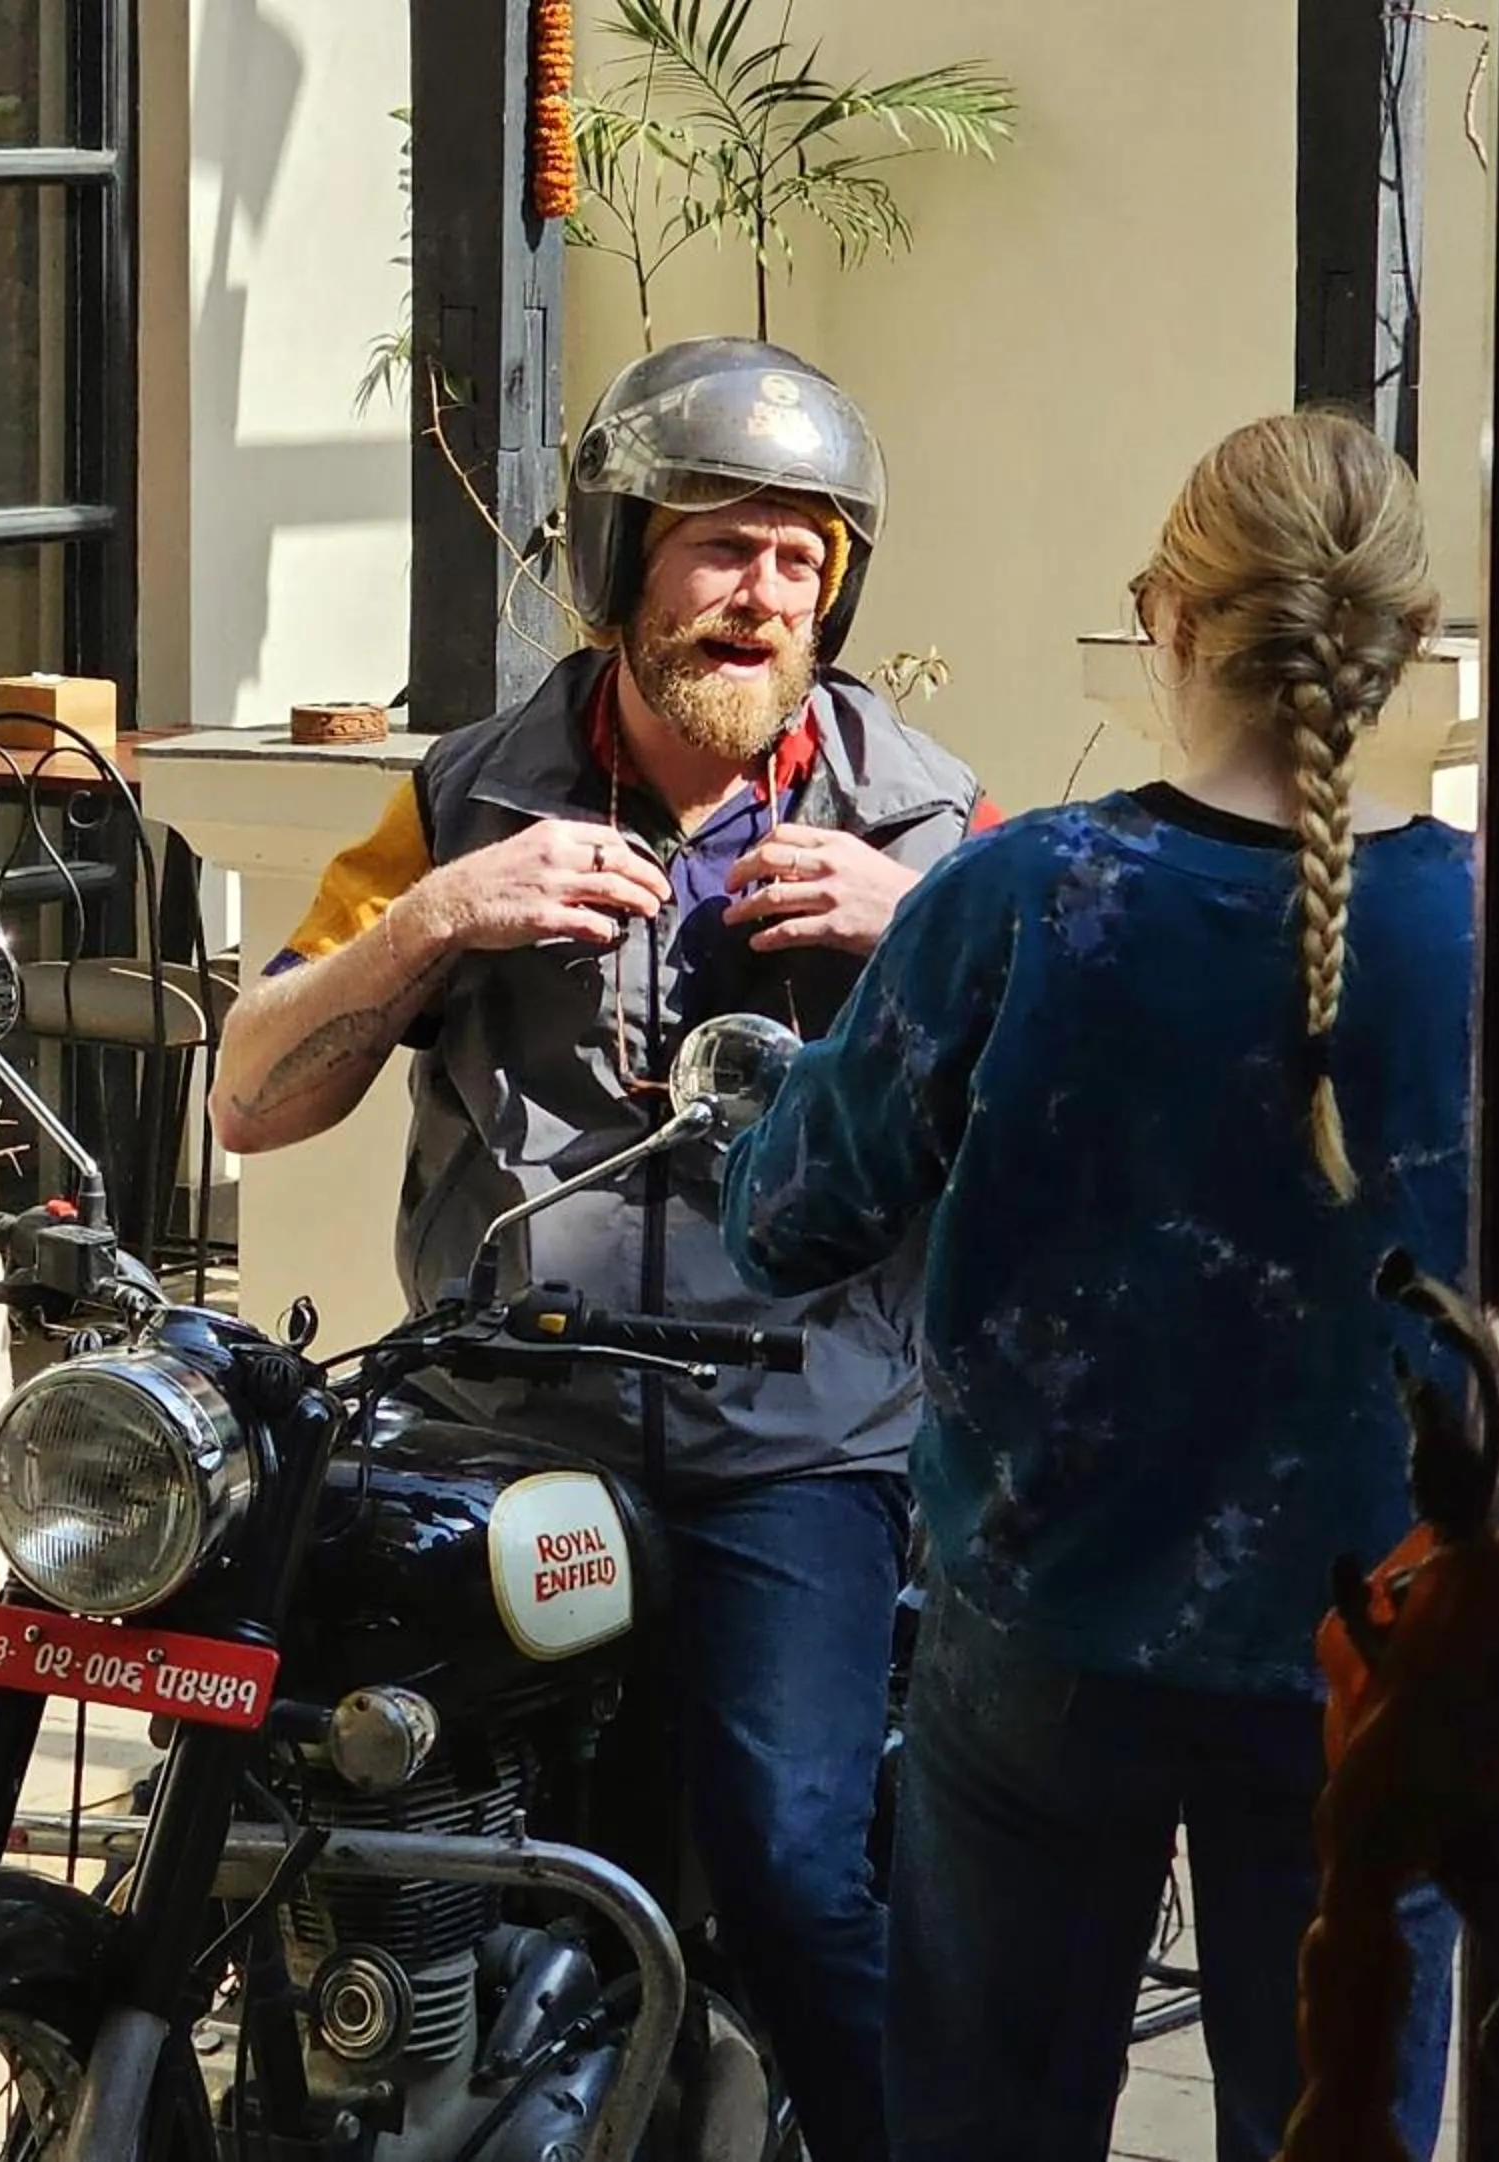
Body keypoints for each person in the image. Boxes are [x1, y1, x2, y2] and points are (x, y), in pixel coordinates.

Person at [211, 339, 996, 2162]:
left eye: (802, 560)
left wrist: (926, 934)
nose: (763, 598)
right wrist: (431, 919)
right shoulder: (466, 796)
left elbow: (1075, 1114)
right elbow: (251, 1097)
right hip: (498, 1434)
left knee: (798, 1876)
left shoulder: (936, 823)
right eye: (723, 547)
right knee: (319, 1803)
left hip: (785, 1444)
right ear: (624, 552)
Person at [713, 410, 1466, 2162]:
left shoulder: (1019, 899)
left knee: (991, 2111)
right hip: (1380, 1652)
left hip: (1046, 1633)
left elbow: (790, 1219)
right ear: (1398, 648)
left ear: (1169, 619)